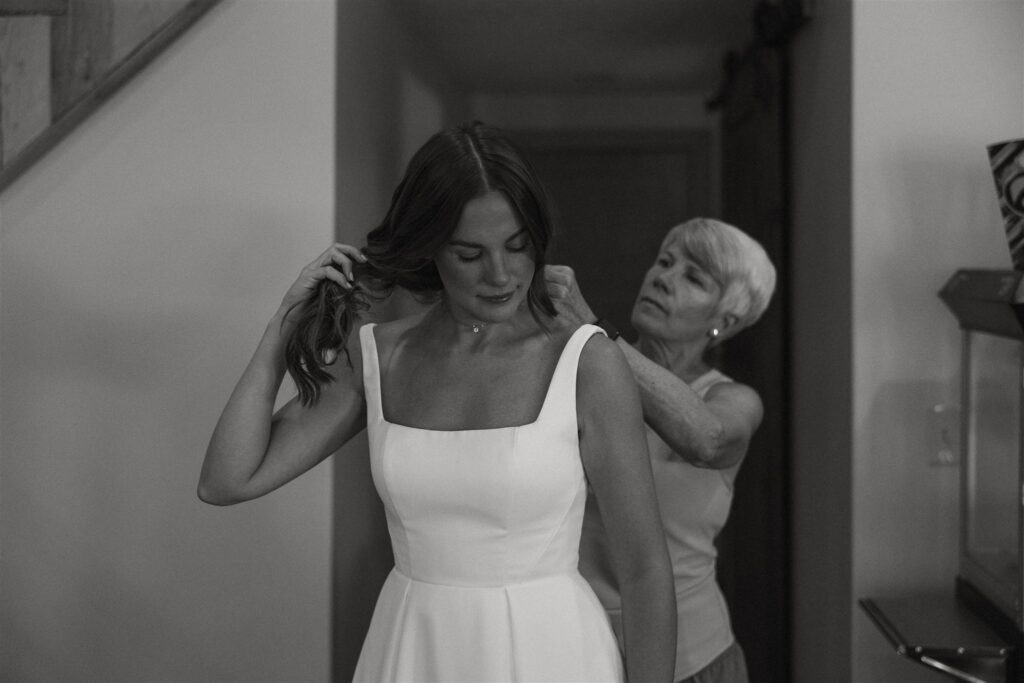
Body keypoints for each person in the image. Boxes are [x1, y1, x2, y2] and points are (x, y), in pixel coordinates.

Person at [197, 121, 676, 683]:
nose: (501, 275)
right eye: (470, 254)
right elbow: (226, 481)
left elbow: (645, 569)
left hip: (553, 653)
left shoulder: (586, 362)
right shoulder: (378, 356)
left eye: (517, 247)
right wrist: (282, 329)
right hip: (413, 649)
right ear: (430, 250)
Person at [544, 217, 776, 683]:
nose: (664, 278)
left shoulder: (732, 400)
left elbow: (705, 438)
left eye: (693, 278)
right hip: (574, 650)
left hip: (692, 661)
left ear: (724, 320)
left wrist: (590, 328)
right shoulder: (577, 370)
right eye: (665, 261)